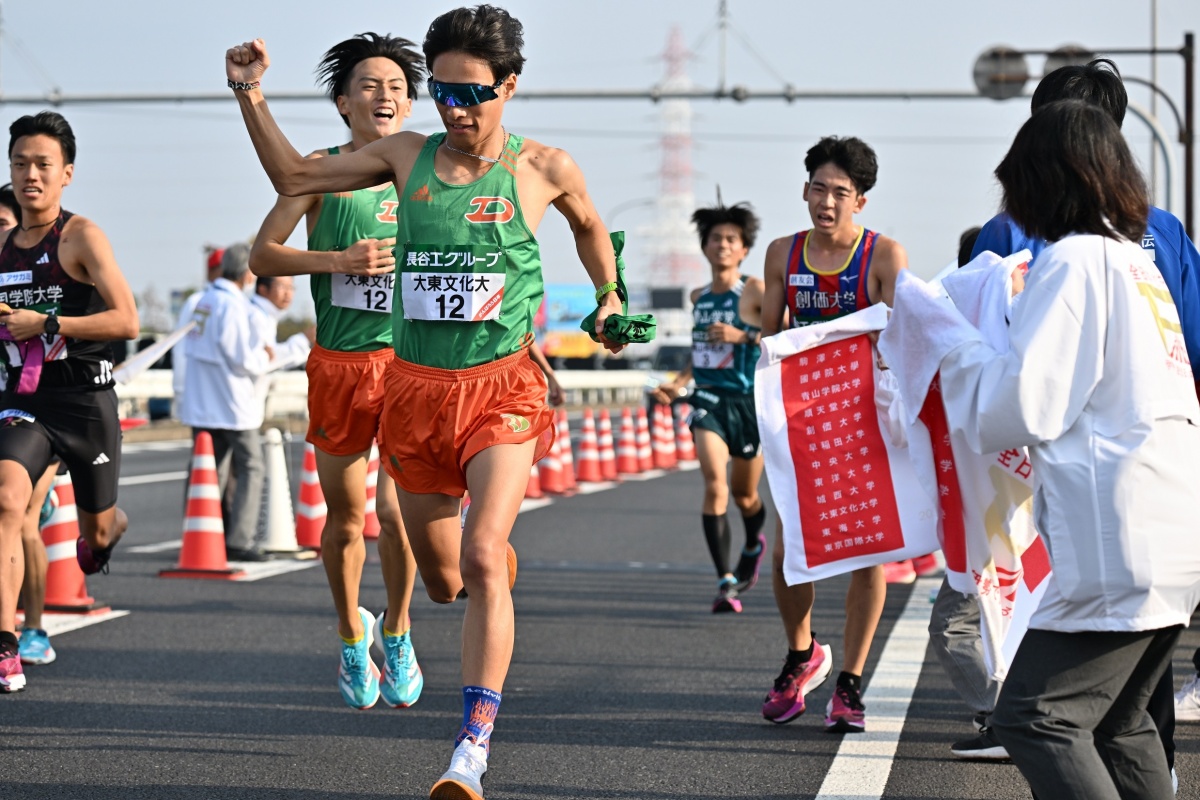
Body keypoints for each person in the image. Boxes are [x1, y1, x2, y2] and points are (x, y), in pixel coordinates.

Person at [225, 6, 624, 796]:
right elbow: (296, 180)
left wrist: (609, 298)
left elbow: (589, 227)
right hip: (412, 392)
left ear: (509, 85)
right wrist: (249, 95)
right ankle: (489, 567)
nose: (455, 108)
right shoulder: (405, 156)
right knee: (450, 579)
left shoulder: (545, 166)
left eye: (472, 93)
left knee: (479, 552)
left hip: (502, 390)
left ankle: (470, 750)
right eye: (441, 91)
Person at [886, 97, 1200, 800]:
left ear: (1045, 181)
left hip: (1119, 536)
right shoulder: (1133, 262)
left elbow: (1020, 406)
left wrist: (950, 341)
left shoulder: (1074, 262)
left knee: (1036, 717)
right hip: (1174, 531)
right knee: (1121, 727)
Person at [248, 31, 426, 712]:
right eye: (371, 86)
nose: (385, 97)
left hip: (411, 367)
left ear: (409, 107)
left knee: (398, 510)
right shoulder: (321, 171)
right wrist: (337, 262)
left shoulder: (427, 175)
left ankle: (401, 629)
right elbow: (263, 255)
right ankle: (354, 633)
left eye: (398, 89)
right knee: (348, 519)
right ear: (344, 101)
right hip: (340, 367)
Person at [758, 135, 906, 732]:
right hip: (800, 419)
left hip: (862, 420)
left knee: (864, 551)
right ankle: (802, 654)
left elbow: (901, 342)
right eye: (818, 188)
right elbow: (771, 341)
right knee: (789, 543)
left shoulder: (883, 257)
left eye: (840, 193)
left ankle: (850, 682)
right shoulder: (781, 255)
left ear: (861, 201)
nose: (827, 202)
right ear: (804, 191)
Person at [0, 111, 139, 692]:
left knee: (99, 535)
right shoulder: (2, 244)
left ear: (67, 174)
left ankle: (105, 528)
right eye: (20, 164)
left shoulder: (81, 236)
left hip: (86, 402)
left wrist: (48, 321)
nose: (30, 175)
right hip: (26, 401)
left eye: (42, 165)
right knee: (7, 500)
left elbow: (127, 319)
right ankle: (6, 643)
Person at [651, 200, 767, 614]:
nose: (722, 245)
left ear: (744, 249)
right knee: (715, 484)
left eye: (731, 239)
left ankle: (753, 542)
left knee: (745, 494)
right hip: (709, 401)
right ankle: (725, 581)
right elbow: (698, 353)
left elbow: (783, 332)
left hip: (748, 403)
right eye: (715, 238)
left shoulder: (754, 290)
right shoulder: (697, 296)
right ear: (704, 246)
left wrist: (743, 335)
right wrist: (676, 384)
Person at [178, 243, 272, 563]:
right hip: (230, 401)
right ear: (248, 274)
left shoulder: (204, 299)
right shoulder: (231, 305)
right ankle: (239, 538)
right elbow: (240, 357)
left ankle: (200, 530)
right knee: (251, 465)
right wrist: (264, 356)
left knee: (207, 469)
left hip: (203, 398)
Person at [0, 181, 60, 666]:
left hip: (44, 408)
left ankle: (34, 627)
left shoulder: (45, 275)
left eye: (3, 226)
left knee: (18, 516)